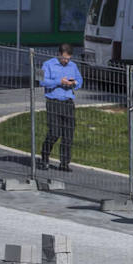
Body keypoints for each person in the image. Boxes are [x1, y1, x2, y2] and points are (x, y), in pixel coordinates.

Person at [39, 44, 82, 173]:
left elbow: (80, 80)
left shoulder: (73, 66)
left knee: (68, 135)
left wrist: (74, 83)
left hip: (68, 102)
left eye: (68, 59)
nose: (65, 61)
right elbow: (41, 81)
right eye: (63, 58)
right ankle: (44, 157)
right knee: (54, 132)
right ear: (58, 54)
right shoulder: (47, 64)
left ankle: (64, 163)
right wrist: (59, 81)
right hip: (53, 102)